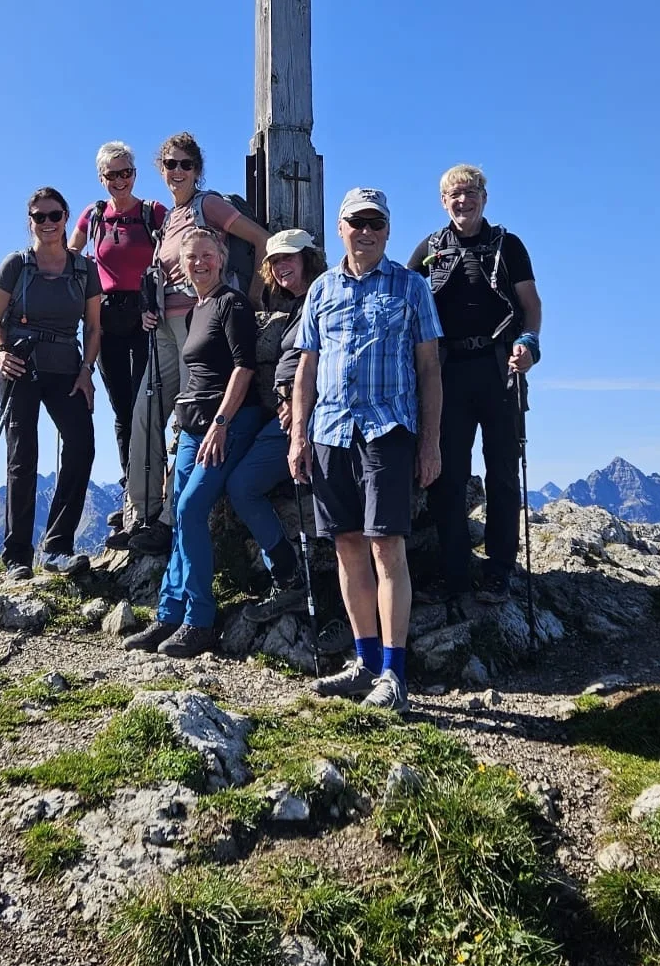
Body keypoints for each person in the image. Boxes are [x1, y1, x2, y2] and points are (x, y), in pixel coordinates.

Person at [289, 187, 443, 714]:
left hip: (387, 431)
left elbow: (429, 370)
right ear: (341, 227)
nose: (366, 231)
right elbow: (306, 367)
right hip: (331, 431)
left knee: (386, 547)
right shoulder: (322, 290)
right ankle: (365, 663)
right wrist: (298, 435)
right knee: (348, 546)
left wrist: (431, 444)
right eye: (357, 221)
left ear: (388, 230)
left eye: (376, 222)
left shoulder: (411, 286)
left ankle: (394, 675)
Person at [124, 133, 268, 555]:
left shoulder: (207, 205)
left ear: (197, 168)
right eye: (170, 164)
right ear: (161, 168)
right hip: (164, 328)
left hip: (197, 326)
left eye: (186, 164)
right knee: (145, 415)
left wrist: (255, 298)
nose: (177, 171)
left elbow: (261, 239)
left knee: (191, 420)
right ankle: (143, 512)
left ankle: (170, 520)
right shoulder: (170, 218)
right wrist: (150, 308)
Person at [124, 230, 265, 657]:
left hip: (228, 423)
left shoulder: (232, 304)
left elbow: (244, 368)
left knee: (189, 509)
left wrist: (222, 422)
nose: (199, 263)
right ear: (180, 265)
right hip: (191, 428)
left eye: (207, 256)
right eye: (191, 258)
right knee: (179, 515)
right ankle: (169, 614)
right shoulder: (195, 311)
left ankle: (199, 620)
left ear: (221, 259)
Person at [407, 164, 541, 606]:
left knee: (502, 471)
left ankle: (499, 571)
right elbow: (402, 295)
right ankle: (456, 573)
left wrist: (528, 341)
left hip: (500, 366)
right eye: (454, 195)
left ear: (484, 198)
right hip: (448, 372)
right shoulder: (430, 249)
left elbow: (530, 303)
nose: (462, 201)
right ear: (443, 202)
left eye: (470, 193)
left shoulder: (508, 246)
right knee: (448, 476)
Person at [0, 188, 102, 582]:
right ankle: (17, 555)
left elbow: (93, 326)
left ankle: (57, 547)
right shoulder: (15, 266)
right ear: (30, 221)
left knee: (81, 444)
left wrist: (87, 370)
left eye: (55, 215)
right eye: (40, 217)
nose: (48, 223)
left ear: (66, 216)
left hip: (67, 368)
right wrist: (1, 353)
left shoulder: (84, 270)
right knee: (23, 457)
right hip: (19, 366)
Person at [223, 230, 327, 623]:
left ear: (308, 260)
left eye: (291, 258)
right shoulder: (295, 305)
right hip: (285, 416)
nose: (283, 266)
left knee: (245, 486)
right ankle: (287, 575)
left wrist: (298, 404)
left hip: (310, 417)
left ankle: (310, 591)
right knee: (242, 485)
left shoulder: (323, 298)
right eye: (276, 261)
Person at [68, 144, 166, 497]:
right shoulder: (93, 217)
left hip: (146, 314)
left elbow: (173, 253)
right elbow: (69, 259)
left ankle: (152, 481)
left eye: (126, 173)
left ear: (135, 174)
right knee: (122, 407)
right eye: (112, 175)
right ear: (101, 178)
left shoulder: (153, 213)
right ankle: (131, 486)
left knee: (146, 402)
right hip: (105, 315)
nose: (120, 180)